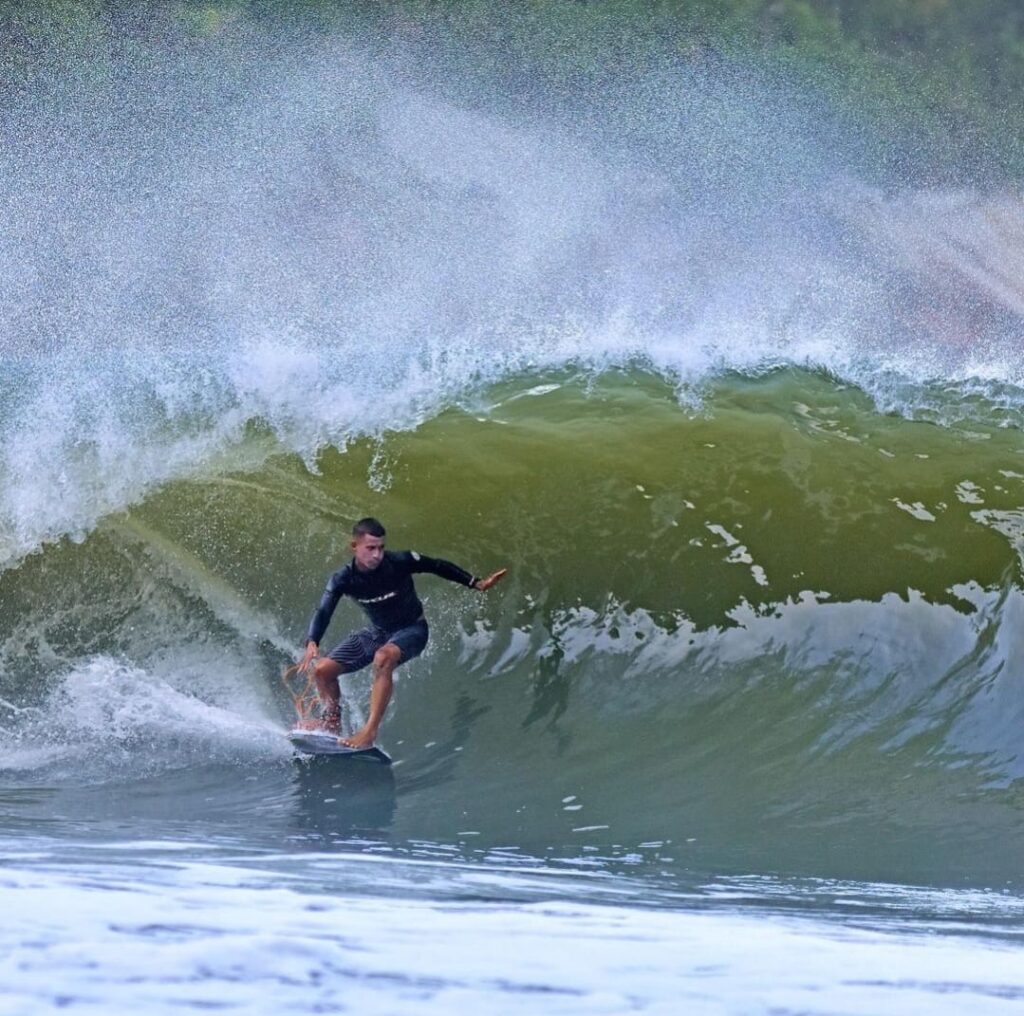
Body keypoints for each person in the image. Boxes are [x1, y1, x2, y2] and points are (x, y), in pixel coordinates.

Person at [297, 517, 507, 748]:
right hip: (379, 632)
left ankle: (369, 732)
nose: (377, 554)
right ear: (354, 546)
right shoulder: (342, 579)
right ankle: (331, 722)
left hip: (413, 629)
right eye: (370, 548)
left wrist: (475, 583)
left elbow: (437, 566)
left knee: (383, 657)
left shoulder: (400, 561)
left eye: (380, 548)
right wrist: (312, 640)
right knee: (322, 671)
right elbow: (324, 610)